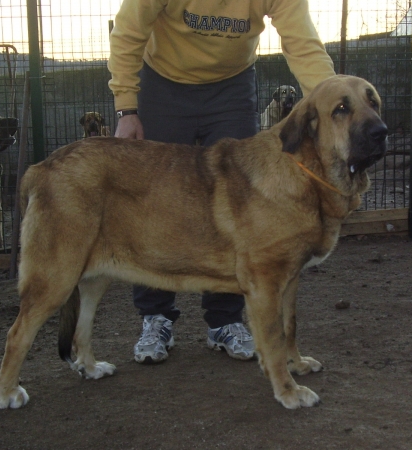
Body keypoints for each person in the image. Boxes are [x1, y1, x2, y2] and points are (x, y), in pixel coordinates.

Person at [108, 0, 336, 364]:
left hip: (231, 87)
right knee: (156, 202)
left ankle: (225, 321)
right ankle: (156, 317)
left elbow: (302, 42)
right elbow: (128, 32)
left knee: (242, 201)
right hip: (163, 83)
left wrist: (330, 99)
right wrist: (126, 107)